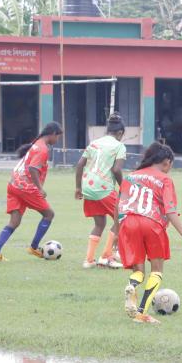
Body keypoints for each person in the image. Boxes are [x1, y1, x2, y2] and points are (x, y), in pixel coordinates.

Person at [118, 142, 182, 324]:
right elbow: (170, 211)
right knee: (156, 270)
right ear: (166, 162)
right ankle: (141, 312)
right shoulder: (164, 180)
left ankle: (132, 286)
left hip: (128, 222)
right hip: (152, 223)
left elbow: (119, 205)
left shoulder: (130, 177)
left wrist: (119, 233)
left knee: (138, 270)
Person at [0, 122, 63, 261]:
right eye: (58, 137)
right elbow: (33, 169)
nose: (57, 140)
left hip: (13, 184)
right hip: (25, 187)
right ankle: (34, 247)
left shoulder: (36, 142)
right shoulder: (42, 149)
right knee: (49, 214)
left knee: (14, 222)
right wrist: (40, 188)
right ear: (52, 134)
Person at [74, 113, 127, 269]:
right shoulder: (119, 146)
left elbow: (79, 165)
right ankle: (107, 256)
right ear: (120, 133)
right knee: (122, 220)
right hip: (103, 188)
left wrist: (78, 187)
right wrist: (123, 187)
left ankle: (88, 260)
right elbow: (117, 169)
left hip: (88, 188)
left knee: (100, 223)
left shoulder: (94, 143)